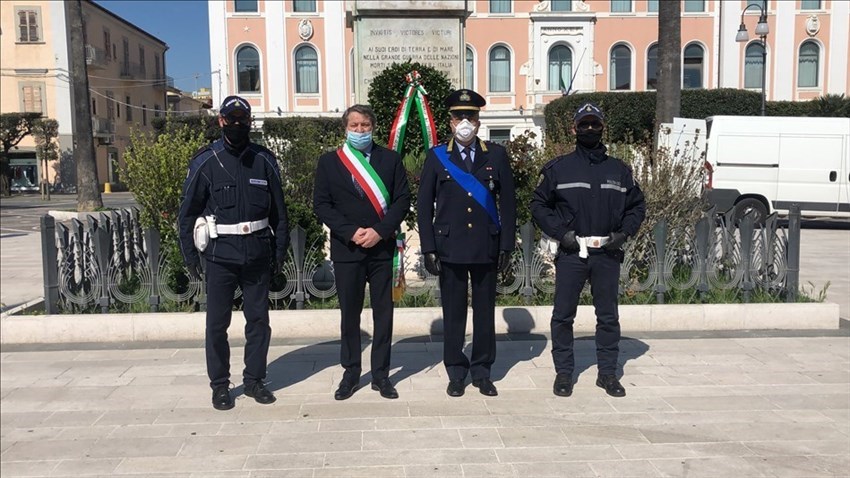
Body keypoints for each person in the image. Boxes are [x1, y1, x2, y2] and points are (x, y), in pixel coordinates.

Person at [178, 95, 290, 411]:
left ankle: (254, 380)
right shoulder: (205, 162)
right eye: (232, 118)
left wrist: (279, 253)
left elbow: (279, 213)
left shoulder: (264, 160)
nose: (238, 124)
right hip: (219, 256)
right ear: (221, 121)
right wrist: (190, 257)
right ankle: (220, 385)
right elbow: (187, 214)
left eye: (244, 119)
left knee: (258, 322)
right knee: (217, 325)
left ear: (250, 121)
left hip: (256, 254)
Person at [530, 102, 646, 398]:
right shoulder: (559, 169)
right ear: (574, 129)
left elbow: (637, 205)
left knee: (608, 316)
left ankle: (607, 373)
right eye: (584, 125)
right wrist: (561, 233)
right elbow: (538, 204)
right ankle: (564, 374)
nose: (590, 129)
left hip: (607, 253)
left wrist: (624, 233)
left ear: (602, 127)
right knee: (563, 315)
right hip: (572, 252)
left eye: (595, 124)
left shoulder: (619, 171)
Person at [417, 89, 516, 398]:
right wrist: (430, 247)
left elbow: (509, 204)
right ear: (450, 121)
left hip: (485, 245)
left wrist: (506, 246)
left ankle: (483, 371)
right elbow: (424, 206)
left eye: (470, 116)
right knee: (455, 312)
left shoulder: (495, 155)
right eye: (459, 116)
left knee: (485, 312)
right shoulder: (436, 156)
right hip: (451, 246)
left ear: (478, 120)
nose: (465, 122)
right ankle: (456, 371)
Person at [313, 105, 411, 401]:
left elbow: (402, 200)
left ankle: (381, 375)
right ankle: (350, 373)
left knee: (384, 313)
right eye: (354, 125)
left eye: (365, 125)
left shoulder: (390, 159)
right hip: (348, 249)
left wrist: (379, 231)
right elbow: (322, 204)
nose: (359, 130)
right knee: (349, 315)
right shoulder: (330, 162)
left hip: (381, 248)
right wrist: (351, 232)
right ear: (345, 128)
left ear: (373, 127)